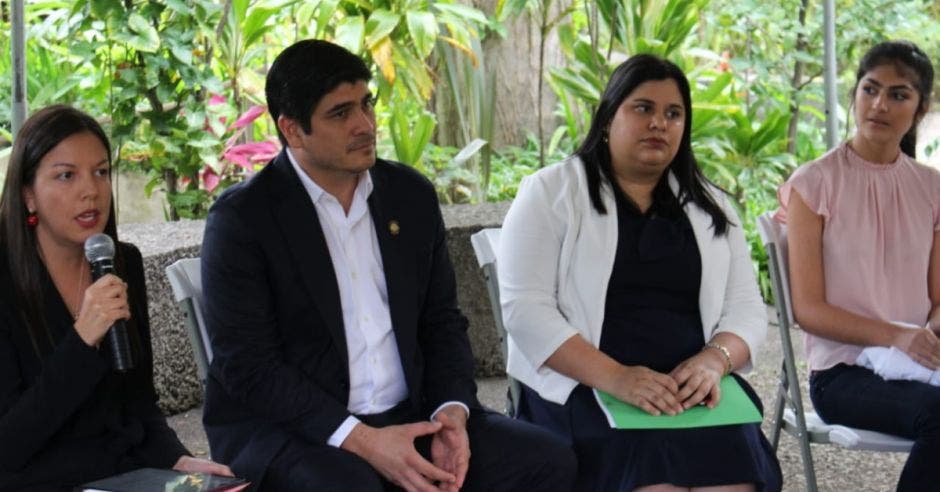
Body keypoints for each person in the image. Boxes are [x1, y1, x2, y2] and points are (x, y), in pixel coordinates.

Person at [200, 39, 576, 492]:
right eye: (340, 114)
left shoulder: (409, 196)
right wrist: (363, 440)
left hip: (413, 416)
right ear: (292, 130)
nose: (365, 124)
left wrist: (451, 415)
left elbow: (442, 323)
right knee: (352, 487)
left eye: (366, 104)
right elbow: (250, 367)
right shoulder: (244, 220)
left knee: (547, 460)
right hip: (298, 431)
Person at [498, 54, 783, 491]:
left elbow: (745, 307)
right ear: (609, 117)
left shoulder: (711, 205)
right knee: (651, 479)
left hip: (690, 392)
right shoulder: (551, 192)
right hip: (585, 386)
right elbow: (525, 311)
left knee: (733, 474)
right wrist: (617, 378)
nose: (659, 124)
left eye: (673, 113)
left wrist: (714, 361)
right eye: (643, 108)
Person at [0, 105, 231, 491]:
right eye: (66, 176)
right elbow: (9, 443)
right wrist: (82, 338)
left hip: (121, 473)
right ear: (28, 196)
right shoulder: (4, 280)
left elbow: (138, 401)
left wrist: (176, 458)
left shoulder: (119, 262)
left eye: (101, 172)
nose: (90, 190)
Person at [777, 40, 939, 490]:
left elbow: (937, 301)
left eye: (899, 95)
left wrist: (930, 331)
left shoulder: (931, 188)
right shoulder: (815, 183)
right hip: (843, 376)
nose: (880, 104)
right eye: (870, 89)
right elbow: (808, 310)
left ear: (920, 107)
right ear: (855, 94)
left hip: (918, 366)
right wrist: (897, 336)